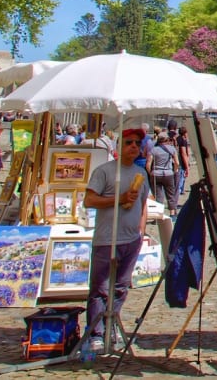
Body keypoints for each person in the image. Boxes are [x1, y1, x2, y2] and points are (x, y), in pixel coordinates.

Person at [82, 129, 150, 354]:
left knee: (120, 287)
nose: (133, 146)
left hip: (131, 239)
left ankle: (112, 325)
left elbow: (143, 205)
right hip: (106, 238)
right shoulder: (105, 171)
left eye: (137, 143)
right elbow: (89, 200)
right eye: (129, 142)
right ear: (119, 146)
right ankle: (95, 332)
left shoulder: (141, 173)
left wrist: (142, 231)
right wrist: (118, 200)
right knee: (100, 288)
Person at [147, 132, 179, 215]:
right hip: (168, 173)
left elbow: (148, 164)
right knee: (171, 194)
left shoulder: (154, 150)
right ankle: (172, 213)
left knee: (158, 196)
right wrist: (174, 171)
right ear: (167, 139)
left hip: (156, 173)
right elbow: (177, 163)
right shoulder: (172, 149)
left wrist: (150, 172)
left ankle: (159, 213)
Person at [175, 125, 191, 196]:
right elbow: (184, 153)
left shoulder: (177, 139)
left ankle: (181, 191)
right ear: (185, 133)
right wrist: (187, 166)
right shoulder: (183, 141)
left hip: (177, 161)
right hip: (181, 163)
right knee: (180, 181)